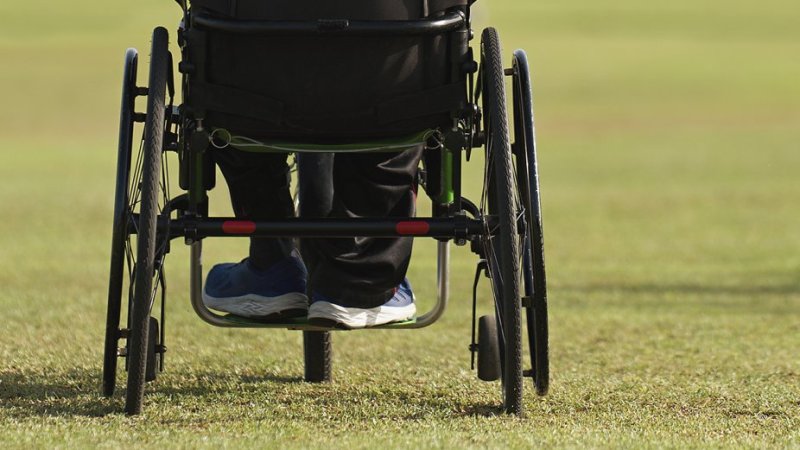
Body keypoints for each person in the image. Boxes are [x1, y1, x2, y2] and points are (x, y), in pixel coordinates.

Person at [201, 146, 422, 329]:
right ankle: (364, 280)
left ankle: (272, 263)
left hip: (258, 108)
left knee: (238, 118)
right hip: (384, 109)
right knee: (402, 117)